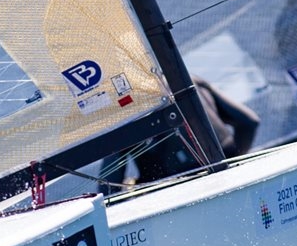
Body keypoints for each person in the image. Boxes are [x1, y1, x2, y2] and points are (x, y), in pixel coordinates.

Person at [101, 75, 260, 188]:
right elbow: (250, 122)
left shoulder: (126, 112)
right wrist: (230, 163)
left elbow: (108, 189)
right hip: (228, 174)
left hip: (179, 194)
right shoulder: (188, 80)